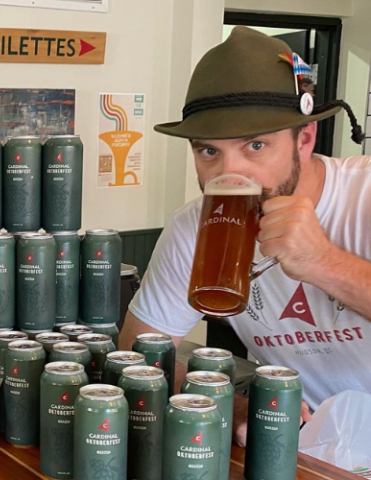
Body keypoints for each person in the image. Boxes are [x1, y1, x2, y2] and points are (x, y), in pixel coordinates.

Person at [119, 26, 370, 447]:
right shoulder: (192, 229)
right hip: (310, 448)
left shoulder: (362, 198)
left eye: (255, 146)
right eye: (209, 151)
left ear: (304, 139)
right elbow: (142, 351)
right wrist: (224, 403)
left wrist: (324, 262)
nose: (228, 175)